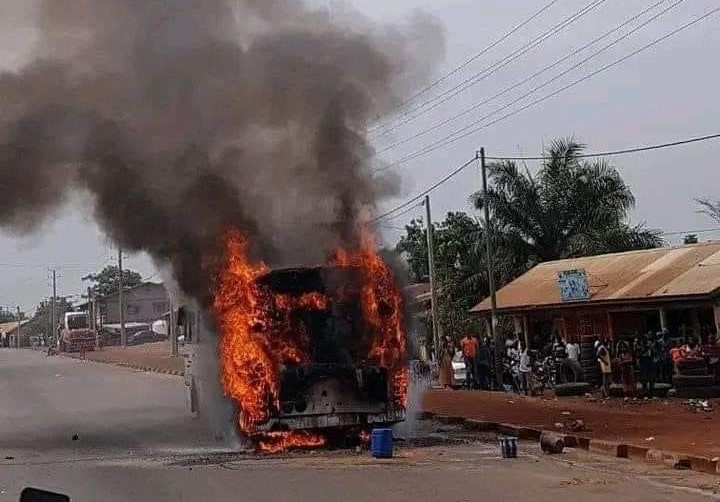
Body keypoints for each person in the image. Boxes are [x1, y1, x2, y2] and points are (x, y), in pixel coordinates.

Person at [638, 331, 657, 396]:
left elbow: (655, 352)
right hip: (643, 361)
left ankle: (651, 391)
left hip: (650, 360)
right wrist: (646, 348)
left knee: (651, 376)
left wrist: (652, 348)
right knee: (644, 377)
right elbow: (638, 354)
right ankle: (645, 392)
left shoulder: (652, 344)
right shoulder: (640, 345)